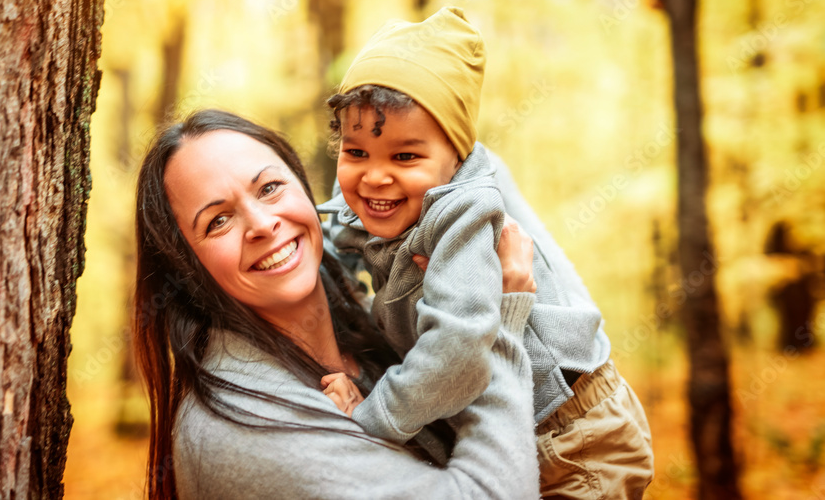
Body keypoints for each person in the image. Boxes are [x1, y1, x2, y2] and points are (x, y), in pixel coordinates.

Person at [318, 6, 654, 498]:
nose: (375, 175)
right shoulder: (382, 195)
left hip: (572, 436)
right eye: (356, 152)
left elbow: (457, 351)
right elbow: (338, 237)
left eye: (405, 156)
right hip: (533, 424)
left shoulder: (466, 212)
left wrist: (369, 418)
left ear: (455, 157)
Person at [132, 109, 541, 499]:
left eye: (270, 188)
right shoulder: (247, 427)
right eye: (217, 221)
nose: (261, 224)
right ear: (185, 267)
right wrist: (499, 319)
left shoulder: (357, 301)